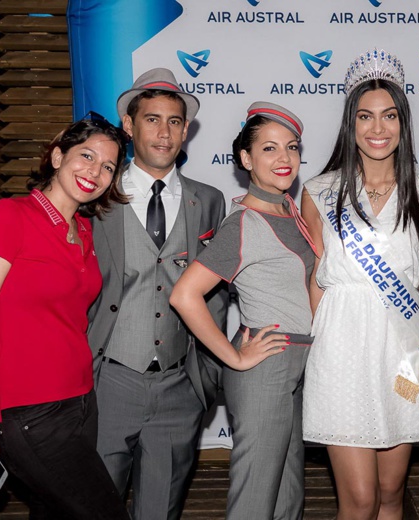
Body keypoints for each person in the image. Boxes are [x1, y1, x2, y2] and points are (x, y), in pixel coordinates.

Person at [0, 68, 228, 519]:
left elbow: (217, 292)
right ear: (128, 125)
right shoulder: (96, 199)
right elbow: (14, 243)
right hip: (104, 385)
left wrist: (205, 379)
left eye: (175, 121)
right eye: (151, 119)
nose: (164, 132)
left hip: (176, 388)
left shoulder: (210, 200)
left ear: (187, 130)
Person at [0, 115, 131, 519]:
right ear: (56, 156)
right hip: (30, 410)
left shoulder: (84, 229)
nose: (96, 171)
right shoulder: (10, 216)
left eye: (107, 166)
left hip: (81, 400)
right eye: (86, 156)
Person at [301, 49, 419, 519]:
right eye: (365, 116)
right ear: (351, 123)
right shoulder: (319, 191)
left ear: (403, 123)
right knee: (360, 499)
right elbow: (315, 283)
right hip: (341, 351)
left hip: (403, 353)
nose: (377, 129)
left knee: (390, 493)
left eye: (389, 116)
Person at [171, 102, 316, 519]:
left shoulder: (291, 210)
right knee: (256, 495)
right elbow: (184, 295)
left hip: (300, 363)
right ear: (246, 159)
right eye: (269, 149)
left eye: (291, 147)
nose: (284, 158)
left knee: (288, 494)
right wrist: (234, 356)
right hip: (266, 366)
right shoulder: (243, 223)